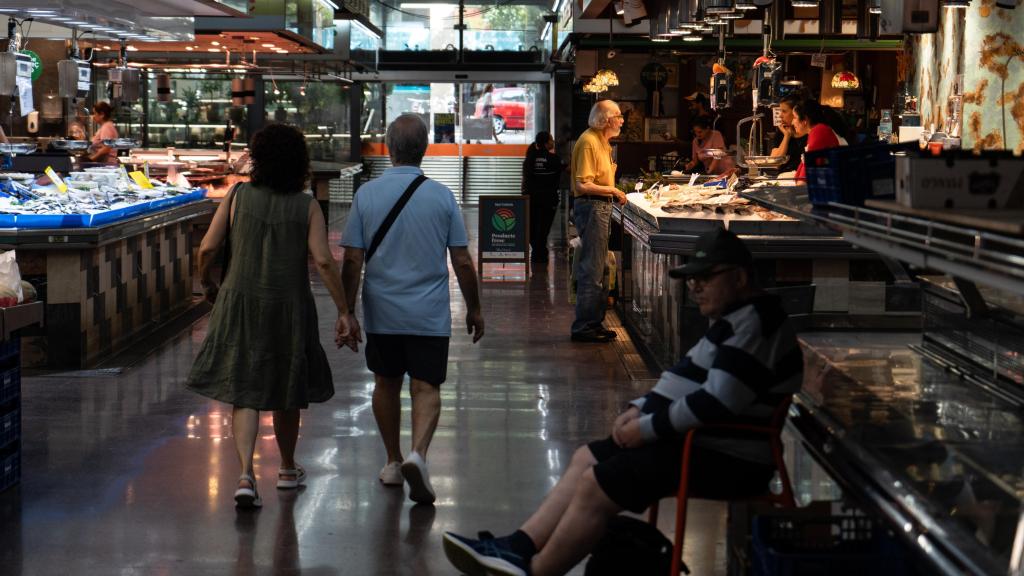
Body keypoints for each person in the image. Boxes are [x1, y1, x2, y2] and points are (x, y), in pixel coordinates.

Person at [442, 228, 803, 576]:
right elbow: (682, 377)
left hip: (729, 459)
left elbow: (716, 402)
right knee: (587, 457)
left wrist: (646, 429)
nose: (696, 287)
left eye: (707, 278)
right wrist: (639, 408)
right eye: (693, 278)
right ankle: (518, 547)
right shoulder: (734, 318)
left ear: (740, 278)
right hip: (704, 444)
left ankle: (536, 571)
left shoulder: (757, 323)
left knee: (596, 484)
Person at [187, 124, 354, 509]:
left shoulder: (238, 195)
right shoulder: (306, 205)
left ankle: (246, 475)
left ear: (258, 159)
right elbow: (325, 261)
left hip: (239, 302)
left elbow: (208, 248)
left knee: (243, 389)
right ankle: (287, 468)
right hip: (289, 305)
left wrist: (207, 283)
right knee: (286, 388)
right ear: (300, 162)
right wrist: (345, 310)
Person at [340, 113, 485, 505]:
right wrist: (474, 308)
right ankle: (419, 454)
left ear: (389, 148)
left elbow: (352, 259)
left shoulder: (366, 195)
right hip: (429, 313)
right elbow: (463, 262)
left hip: (382, 311)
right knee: (426, 386)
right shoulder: (443, 196)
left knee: (385, 383)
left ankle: (392, 461)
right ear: (424, 150)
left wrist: (347, 311)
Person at [569, 100, 627, 344]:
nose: (622, 120)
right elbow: (583, 184)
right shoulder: (589, 141)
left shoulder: (603, 142)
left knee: (602, 268)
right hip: (592, 207)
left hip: (599, 207)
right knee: (592, 269)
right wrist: (613, 191)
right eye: (618, 115)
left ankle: (594, 323)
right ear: (605, 119)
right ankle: (584, 327)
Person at [522, 131, 563, 264]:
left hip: (531, 199)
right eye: (551, 140)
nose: (553, 142)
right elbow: (566, 169)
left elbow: (525, 181)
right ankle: (541, 253)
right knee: (544, 228)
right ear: (546, 143)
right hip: (549, 200)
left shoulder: (529, 158)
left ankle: (536, 252)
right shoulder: (555, 159)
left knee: (532, 227)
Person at [792, 99, 841, 181]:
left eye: (794, 117)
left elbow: (804, 179)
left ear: (805, 120)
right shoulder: (817, 130)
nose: (792, 122)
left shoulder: (819, 131)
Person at [769, 93, 807, 174]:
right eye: (780, 111)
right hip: (783, 180)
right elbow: (775, 163)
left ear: (795, 112)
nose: (780, 116)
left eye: (784, 111)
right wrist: (786, 136)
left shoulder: (808, 133)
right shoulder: (781, 132)